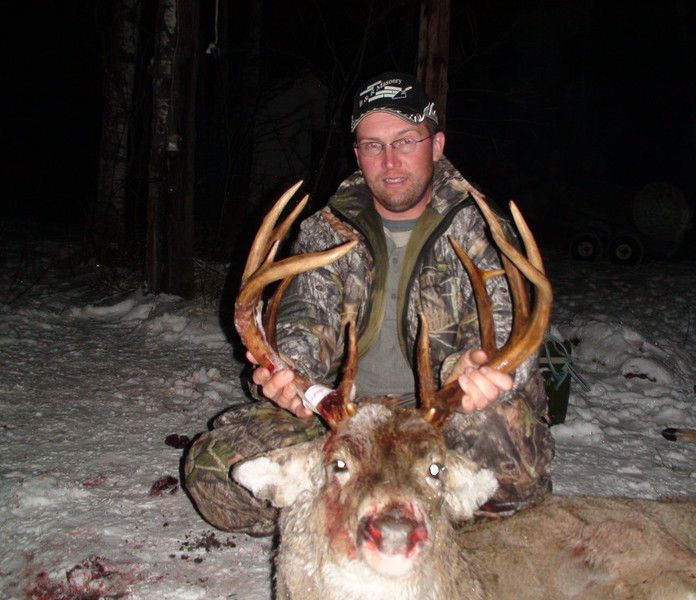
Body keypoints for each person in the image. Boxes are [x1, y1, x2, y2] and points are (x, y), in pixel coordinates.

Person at [184, 72, 554, 536]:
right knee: (216, 471)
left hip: (442, 420)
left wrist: (473, 370)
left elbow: (510, 338)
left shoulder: (485, 231)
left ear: (437, 146)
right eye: (373, 145)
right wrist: (290, 375)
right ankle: (388, 513)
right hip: (343, 420)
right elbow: (303, 320)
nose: (390, 160)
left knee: (509, 460)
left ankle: (359, 511)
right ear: (357, 154)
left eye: (406, 141)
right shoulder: (326, 229)